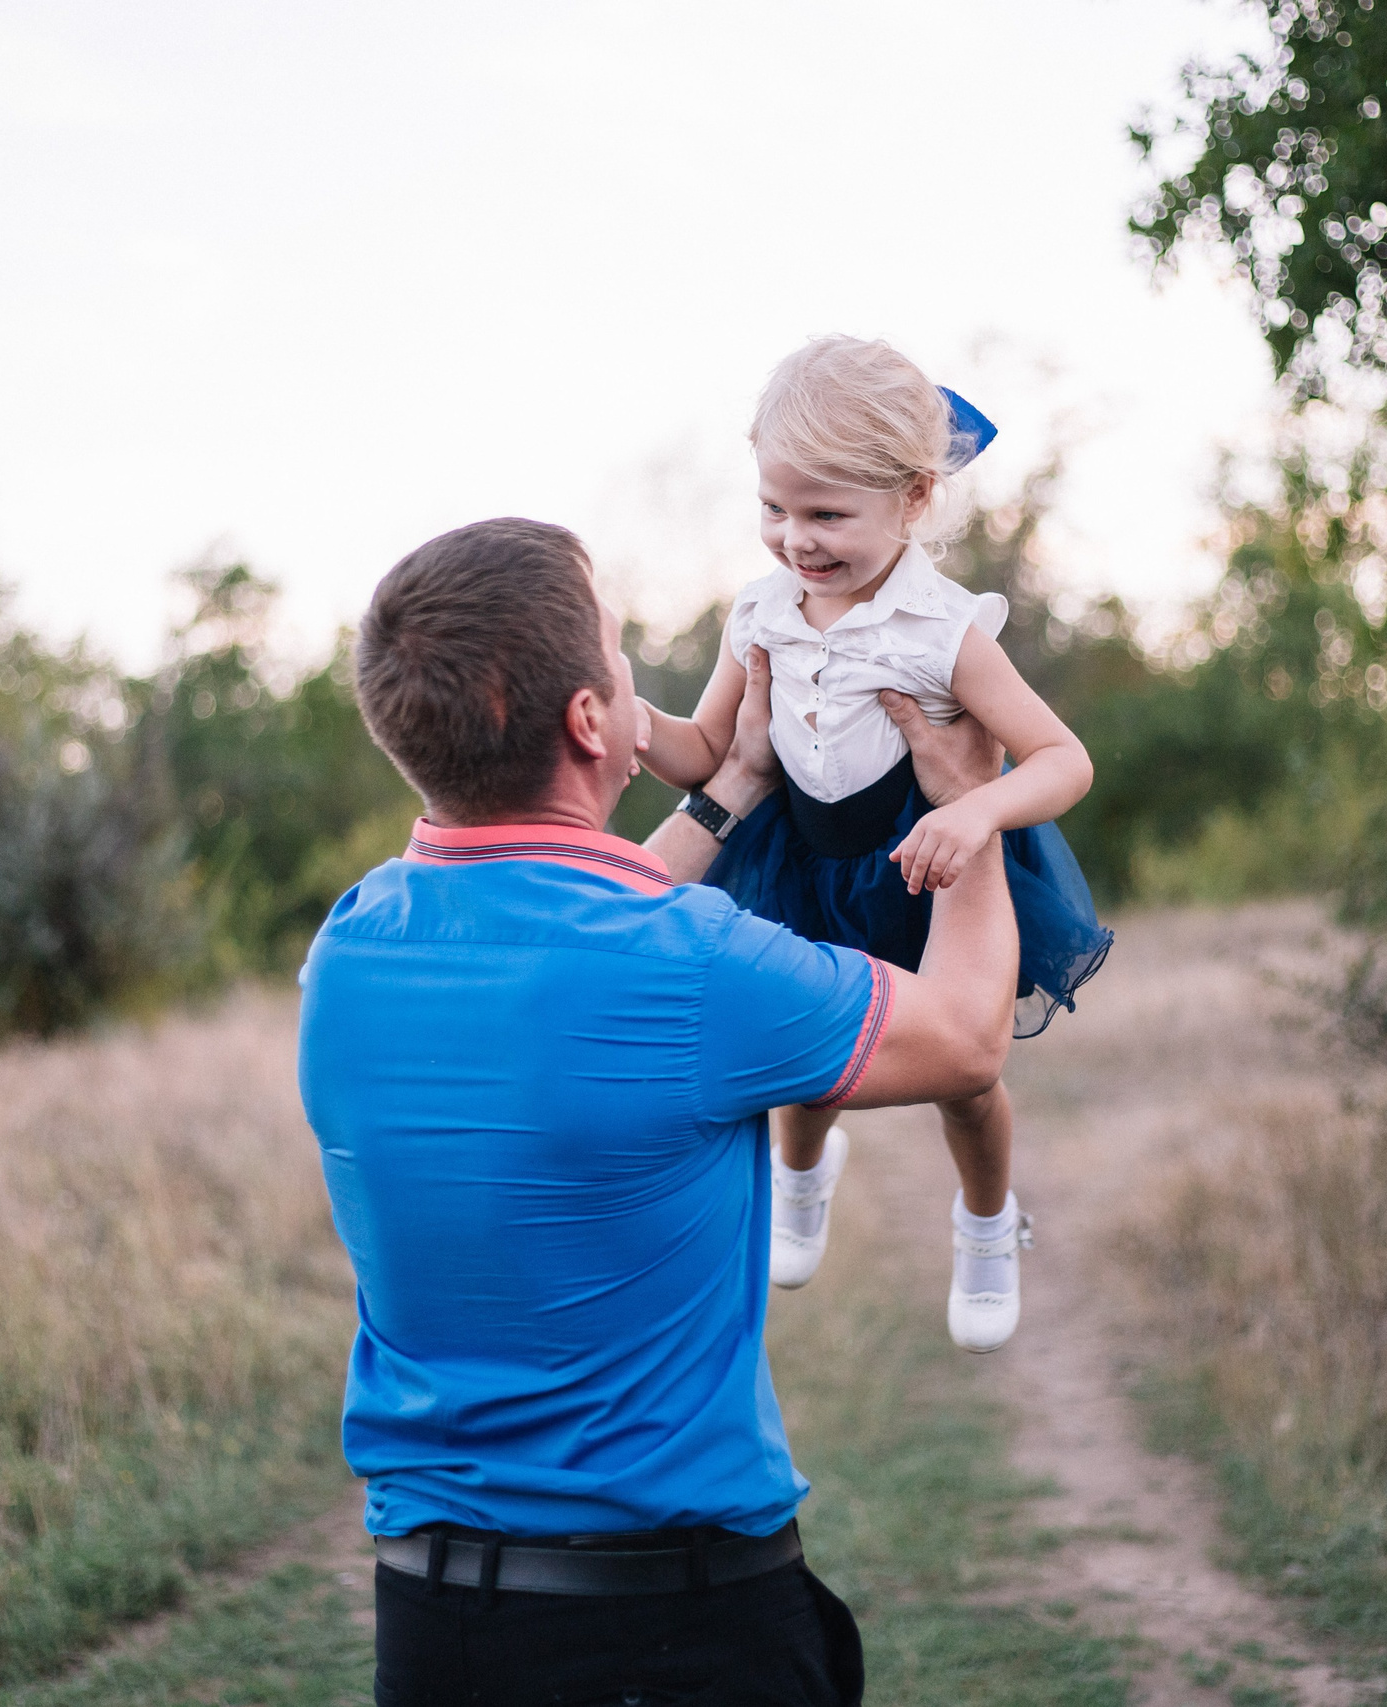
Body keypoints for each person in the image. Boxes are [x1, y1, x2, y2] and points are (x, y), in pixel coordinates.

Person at [299, 515, 1017, 1706]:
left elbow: (573, 920)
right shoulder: (689, 967)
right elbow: (964, 1036)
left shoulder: (354, 938)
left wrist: (731, 789)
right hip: (674, 1633)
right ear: (591, 721)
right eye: (624, 659)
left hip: (434, 1630)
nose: (640, 681)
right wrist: (970, 809)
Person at [639, 337, 1113, 1353]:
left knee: (968, 1074)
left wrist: (975, 812)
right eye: (773, 508)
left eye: (824, 515)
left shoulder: (941, 631)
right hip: (805, 859)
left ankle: (986, 1221)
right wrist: (636, 725)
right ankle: (801, 1177)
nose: (793, 540)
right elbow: (707, 751)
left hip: (929, 862)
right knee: (797, 1049)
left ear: (911, 500)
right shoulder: (759, 612)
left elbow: (1061, 759)